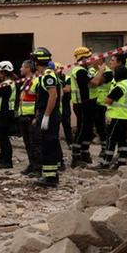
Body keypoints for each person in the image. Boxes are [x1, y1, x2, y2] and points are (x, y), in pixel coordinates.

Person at [32, 47, 62, 187]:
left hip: (50, 115)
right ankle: (49, 174)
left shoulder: (48, 76)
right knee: (47, 144)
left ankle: (51, 178)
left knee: (49, 144)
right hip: (46, 114)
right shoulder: (45, 75)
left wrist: (47, 115)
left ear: (37, 61)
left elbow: (53, 95)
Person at [99, 54, 127, 170]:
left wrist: (106, 101)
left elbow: (108, 100)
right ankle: (122, 162)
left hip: (117, 117)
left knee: (111, 139)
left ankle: (105, 163)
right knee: (122, 139)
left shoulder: (120, 87)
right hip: (126, 116)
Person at [69, 47, 98, 167]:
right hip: (81, 104)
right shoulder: (79, 71)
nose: (91, 59)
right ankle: (75, 157)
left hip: (85, 103)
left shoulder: (83, 70)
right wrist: (101, 70)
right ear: (82, 58)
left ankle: (85, 153)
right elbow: (94, 82)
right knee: (81, 130)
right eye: (88, 57)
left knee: (87, 130)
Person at [17, 60, 40, 176]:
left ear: (28, 69)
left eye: (22, 67)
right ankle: (32, 165)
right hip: (23, 115)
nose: (20, 69)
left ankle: (37, 168)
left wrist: (37, 116)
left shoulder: (36, 82)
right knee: (27, 143)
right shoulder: (25, 82)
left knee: (34, 143)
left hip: (31, 116)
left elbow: (39, 100)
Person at [88, 55, 112, 144]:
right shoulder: (92, 70)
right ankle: (100, 139)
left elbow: (97, 82)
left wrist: (100, 71)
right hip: (93, 101)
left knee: (102, 125)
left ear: (101, 60)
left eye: (93, 59)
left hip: (103, 103)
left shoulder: (108, 72)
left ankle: (104, 144)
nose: (91, 61)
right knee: (95, 124)